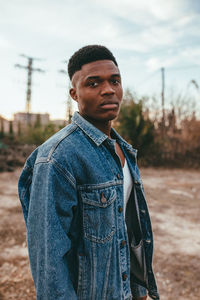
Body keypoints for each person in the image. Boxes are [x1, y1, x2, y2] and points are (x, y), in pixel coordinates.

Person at [18, 45, 159, 300]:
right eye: (93, 84)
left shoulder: (122, 149)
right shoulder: (57, 157)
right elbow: (49, 262)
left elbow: (128, 230)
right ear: (74, 93)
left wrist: (138, 291)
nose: (108, 90)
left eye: (115, 81)